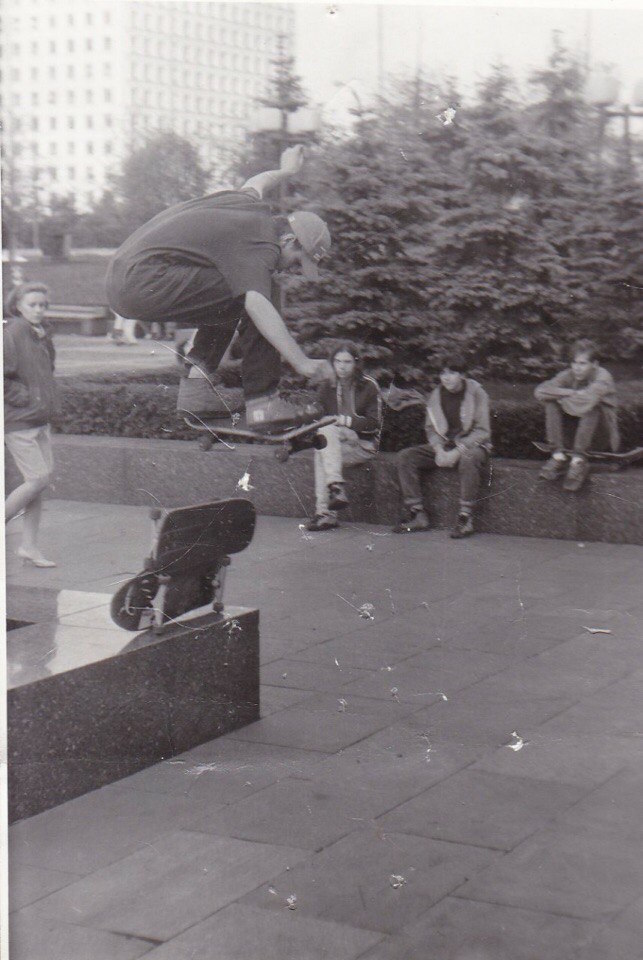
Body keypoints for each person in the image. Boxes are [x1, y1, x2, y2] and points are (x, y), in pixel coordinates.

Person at [106, 144, 334, 431]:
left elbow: (257, 181)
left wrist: (286, 171)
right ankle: (264, 402)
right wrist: (302, 363)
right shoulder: (263, 244)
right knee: (261, 292)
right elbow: (257, 304)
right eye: (296, 262)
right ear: (288, 241)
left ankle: (197, 389)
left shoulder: (247, 204)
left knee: (232, 285)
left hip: (123, 277)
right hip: (144, 281)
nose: (290, 269)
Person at [393, 357, 491, 539]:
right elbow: (431, 429)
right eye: (443, 373)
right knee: (405, 457)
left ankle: (465, 517)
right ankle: (417, 514)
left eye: (452, 373)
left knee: (469, 459)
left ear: (462, 375)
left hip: (473, 445)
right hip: (445, 446)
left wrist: (457, 451)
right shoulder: (436, 395)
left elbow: (482, 431)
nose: (446, 378)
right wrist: (438, 449)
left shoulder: (477, 393)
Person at [4, 282, 58, 567]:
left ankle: (29, 546)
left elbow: (47, 371)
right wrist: (22, 397)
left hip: (39, 417)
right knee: (37, 480)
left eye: (43, 305)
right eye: (32, 304)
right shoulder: (12, 332)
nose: (38, 310)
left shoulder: (42, 334)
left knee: (38, 483)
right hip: (19, 420)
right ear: (18, 306)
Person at [305, 341, 382, 531]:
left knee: (322, 450)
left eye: (347, 362)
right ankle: (334, 489)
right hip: (336, 442)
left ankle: (326, 512)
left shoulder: (369, 386)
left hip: (363, 445)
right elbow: (318, 417)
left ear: (356, 363)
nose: (342, 366)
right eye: (338, 361)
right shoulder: (327, 386)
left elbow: (374, 423)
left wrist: (345, 424)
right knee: (325, 438)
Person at [534, 339, 619, 491]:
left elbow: (586, 401)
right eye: (574, 363)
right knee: (551, 404)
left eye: (582, 363)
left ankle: (578, 461)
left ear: (595, 364)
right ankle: (558, 456)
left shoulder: (603, 377)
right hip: (574, 436)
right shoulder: (569, 375)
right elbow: (540, 391)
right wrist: (571, 392)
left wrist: (561, 398)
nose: (577, 368)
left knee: (592, 406)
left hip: (600, 436)